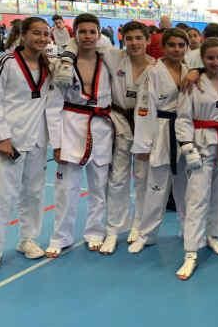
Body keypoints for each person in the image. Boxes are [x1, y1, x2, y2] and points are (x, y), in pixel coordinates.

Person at [56, 21, 154, 254]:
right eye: (129, 38)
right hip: (119, 121)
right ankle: (113, 230)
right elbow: (81, 41)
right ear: (122, 40)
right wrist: (67, 57)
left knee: (143, 178)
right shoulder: (114, 56)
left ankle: (139, 226)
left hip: (146, 124)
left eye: (139, 38)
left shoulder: (156, 67)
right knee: (117, 179)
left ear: (148, 40)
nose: (134, 43)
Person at [0, 17, 53, 270]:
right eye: (36, 33)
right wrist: (1, 137)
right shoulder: (6, 61)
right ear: (23, 35)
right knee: (1, 195)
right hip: (9, 140)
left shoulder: (47, 63)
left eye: (45, 34)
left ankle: (27, 239)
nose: (42, 38)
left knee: (34, 193)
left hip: (37, 140)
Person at [174, 37, 218, 279]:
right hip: (201, 144)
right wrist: (187, 146)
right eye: (210, 58)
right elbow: (183, 117)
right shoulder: (192, 83)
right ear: (202, 59)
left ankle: (213, 234)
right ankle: (191, 250)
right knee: (197, 197)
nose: (216, 62)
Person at [46, 13, 114, 257]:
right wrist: (56, 143)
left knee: (99, 187)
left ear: (99, 34)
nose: (87, 36)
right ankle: (60, 237)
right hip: (70, 126)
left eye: (92, 31)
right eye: (82, 31)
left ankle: (95, 232)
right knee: (66, 188)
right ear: (74, 34)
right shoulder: (62, 65)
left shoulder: (109, 61)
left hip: (102, 127)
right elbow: (53, 105)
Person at [130, 28, 189, 253]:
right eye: (172, 45)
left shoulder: (188, 70)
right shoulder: (153, 72)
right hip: (160, 132)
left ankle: (188, 230)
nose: (176, 49)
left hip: (184, 133)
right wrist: (144, 144)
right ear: (163, 47)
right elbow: (144, 108)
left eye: (181, 45)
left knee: (186, 187)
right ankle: (147, 234)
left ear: (186, 48)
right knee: (156, 187)